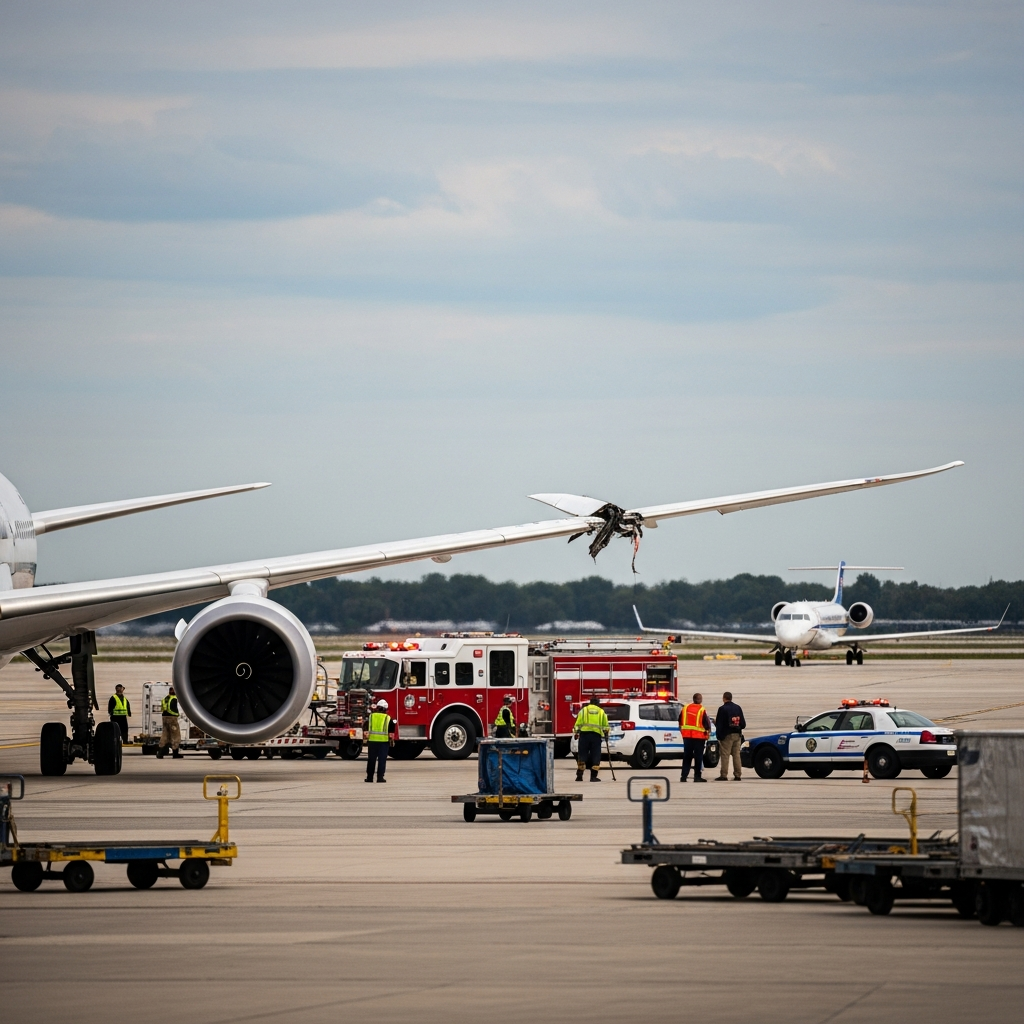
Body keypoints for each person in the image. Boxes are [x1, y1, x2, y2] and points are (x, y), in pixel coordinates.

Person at [573, 695, 609, 782]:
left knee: (582, 755)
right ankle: (593, 777)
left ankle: (579, 776)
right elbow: (605, 725)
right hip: (596, 737)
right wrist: (606, 734)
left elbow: (578, 723)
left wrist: (576, 732)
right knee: (595, 755)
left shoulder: (584, 710)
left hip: (584, 735)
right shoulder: (601, 712)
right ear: (598, 703)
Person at [679, 692, 710, 782]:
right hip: (699, 737)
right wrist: (707, 732)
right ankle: (697, 776)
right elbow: (707, 723)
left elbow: (680, 720)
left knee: (687, 756)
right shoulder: (701, 709)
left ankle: (683, 776)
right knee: (698, 757)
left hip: (687, 737)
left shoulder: (685, 708)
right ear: (699, 700)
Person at [715, 691, 746, 781]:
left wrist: (719, 736)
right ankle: (738, 774)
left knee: (725, 755)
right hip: (737, 735)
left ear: (724, 698)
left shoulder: (722, 709)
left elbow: (719, 724)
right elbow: (743, 724)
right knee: (736, 755)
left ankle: (724, 775)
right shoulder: (738, 708)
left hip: (727, 735)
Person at [365, 699, 395, 783]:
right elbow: (391, 734)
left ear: (377, 708)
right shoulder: (388, 718)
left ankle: (369, 777)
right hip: (383, 742)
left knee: (371, 759)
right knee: (382, 760)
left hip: (372, 741)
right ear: (386, 709)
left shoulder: (371, 717)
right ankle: (380, 778)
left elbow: (366, 728)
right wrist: (392, 741)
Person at [156, 684, 183, 759]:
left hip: (164, 718)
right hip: (172, 718)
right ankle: (175, 753)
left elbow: (163, 708)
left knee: (165, 735)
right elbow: (173, 709)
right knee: (175, 735)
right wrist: (177, 715)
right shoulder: (174, 699)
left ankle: (160, 753)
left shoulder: (165, 698)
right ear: (171, 690)